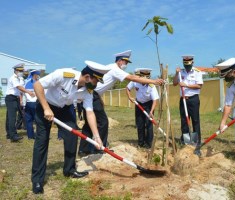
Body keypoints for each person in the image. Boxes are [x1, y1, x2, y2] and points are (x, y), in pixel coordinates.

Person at [31, 61, 110, 194]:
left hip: (64, 109)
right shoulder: (64, 74)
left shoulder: (88, 91)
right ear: (87, 77)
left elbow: (89, 112)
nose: (96, 85)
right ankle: (37, 180)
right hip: (46, 105)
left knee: (72, 135)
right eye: (96, 81)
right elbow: (37, 85)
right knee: (42, 140)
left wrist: (96, 136)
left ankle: (69, 170)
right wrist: (46, 108)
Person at [78, 50, 164, 156]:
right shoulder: (115, 69)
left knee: (88, 124)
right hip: (91, 94)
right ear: (119, 61)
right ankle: (99, 148)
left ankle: (84, 149)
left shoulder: (111, 67)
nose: (126, 65)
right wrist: (154, 81)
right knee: (103, 122)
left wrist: (99, 97)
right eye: (125, 62)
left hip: (92, 94)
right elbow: (131, 78)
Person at [172, 55, 203, 151]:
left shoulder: (197, 72)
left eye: (189, 65)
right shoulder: (180, 72)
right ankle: (186, 141)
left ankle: (195, 141)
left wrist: (186, 85)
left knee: (195, 120)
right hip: (183, 99)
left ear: (192, 62)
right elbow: (174, 83)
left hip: (193, 99)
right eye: (185, 65)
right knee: (184, 121)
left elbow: (199, 86)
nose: (187, 67)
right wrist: (177, 74)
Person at [126, 68, 159, 148]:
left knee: (148, 124)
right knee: (140, 124)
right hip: (138, 104)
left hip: (148, 105)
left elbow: (155, 99)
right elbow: (127, 88)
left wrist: (151, 111)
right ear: (140, 77)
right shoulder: (135, 81)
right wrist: (130, 97)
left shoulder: (152, 86)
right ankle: (141, 143)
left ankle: (149, 144)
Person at [5, 63, 35, 142]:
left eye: (22, 71)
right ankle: (13, 135)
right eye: (19, 71)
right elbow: (19, 87)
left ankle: (9, 134)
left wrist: (21, 78)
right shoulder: (14, 78)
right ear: (15, 70)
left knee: (9, 117)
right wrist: (28, 92)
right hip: (11, 98)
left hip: (15, 98)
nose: (21, 72)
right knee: (12, 117)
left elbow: (21, 87)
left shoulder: (19, 78)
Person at [24, 69, 41, 139]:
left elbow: (23, 93)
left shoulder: (26, 82)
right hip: (35, 103)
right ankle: (39, 135)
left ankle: (30, 136)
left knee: (29, 120)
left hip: (28, 103)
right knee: (38, 120)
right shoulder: (37, 83)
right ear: (35, 75)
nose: (38, 76)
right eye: (38, 75)